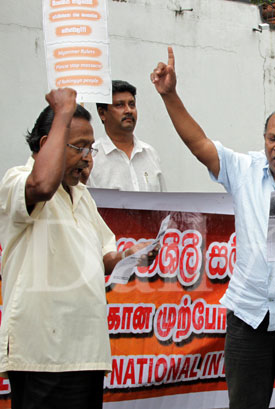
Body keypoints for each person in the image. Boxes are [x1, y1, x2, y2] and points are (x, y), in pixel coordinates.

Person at [151, 47, 275, 409]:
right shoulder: (246, 171)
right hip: (249, 317)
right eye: (271, 138)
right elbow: (199, 144)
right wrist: (170, 95)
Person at [0, 89, 151, 409]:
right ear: (47, 145)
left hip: (87, 353)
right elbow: (41, 185)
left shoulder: (82, 197)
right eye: (78, 147)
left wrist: (131, 254)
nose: (87, 157)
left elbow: (104, 258)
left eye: (90, 148)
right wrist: (64, 111)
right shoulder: (20, 179)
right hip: (44, 357)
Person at [88, 80, 166, 191]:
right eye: (120, 105)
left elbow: (162, 203)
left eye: (132, 104)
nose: (128, 110)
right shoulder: (92, 157)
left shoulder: (150, 153)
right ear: (102, 113)